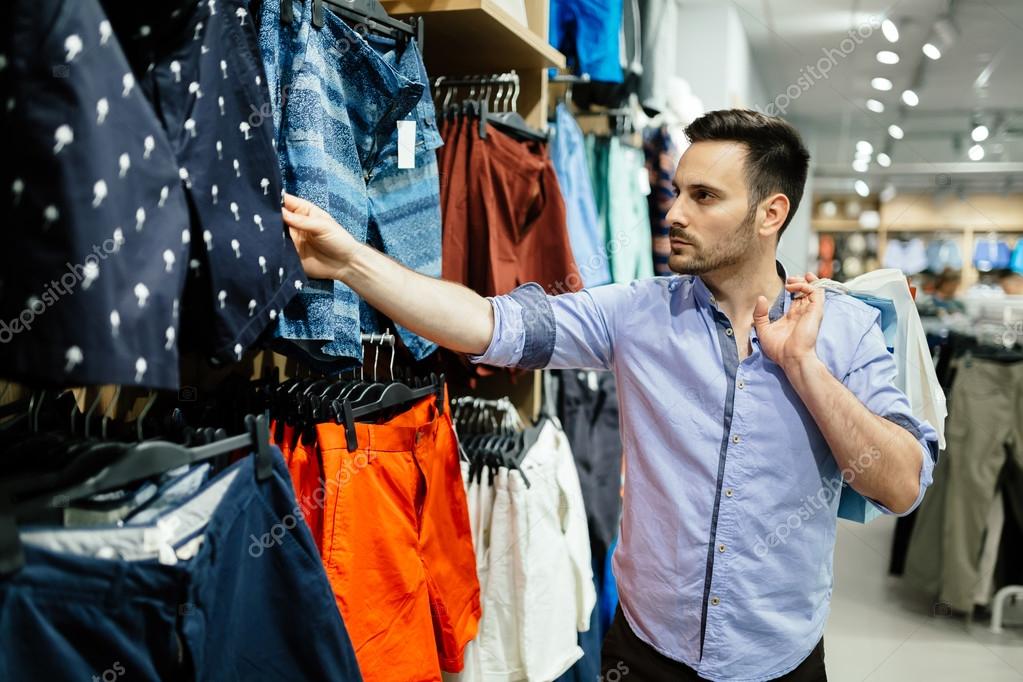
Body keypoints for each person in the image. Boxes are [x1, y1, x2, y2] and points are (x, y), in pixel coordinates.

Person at [280, 109, 937, 681]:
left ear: (771, 213)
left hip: (779, 662)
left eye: (703, 197)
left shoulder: (845, 329)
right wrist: (349, 262)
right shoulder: (636, 313)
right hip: (643, 654)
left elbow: (900, 485)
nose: (673, 212)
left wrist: (803, 367)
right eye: (677, 191)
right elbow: (489, 324)